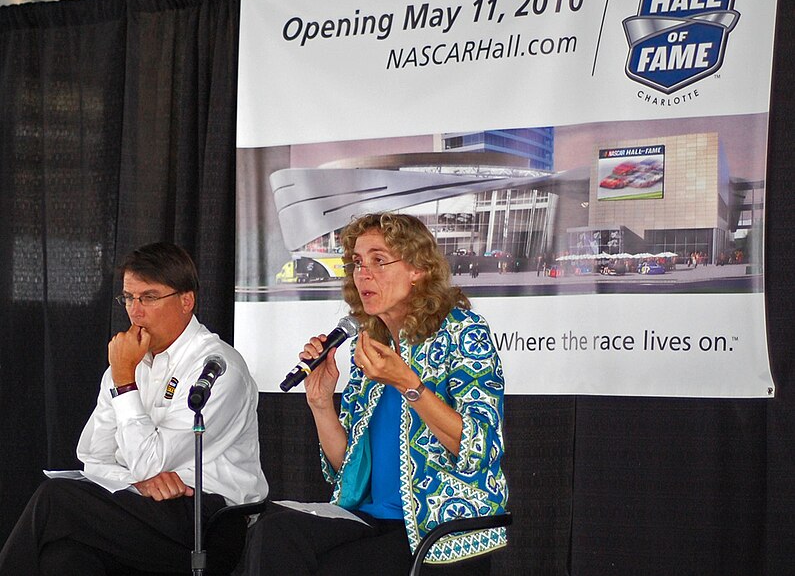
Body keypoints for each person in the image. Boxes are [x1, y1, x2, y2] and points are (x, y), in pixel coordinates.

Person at [243, 213, 507, 575]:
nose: (363, 273)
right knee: (273, 532)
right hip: (369, 519)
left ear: (417, 269)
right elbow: (345, 469)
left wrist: (408, 384)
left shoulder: (463, 332)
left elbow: (480, 447)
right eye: (357, 262)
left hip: (438, 531)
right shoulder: (371, 344)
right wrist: (320, 403)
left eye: (379, 261)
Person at [0, 242, 268, 575]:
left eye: (149, 298)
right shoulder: (130, 361)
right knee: (66, 554)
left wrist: (124, 380)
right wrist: (135, 481)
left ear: (187, 301)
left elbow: (150, 461)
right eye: (128, 298)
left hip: (210, 520)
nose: (135, 311)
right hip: (142, 507)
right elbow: (93, 456)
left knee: (56, 500)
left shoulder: (217, 367)